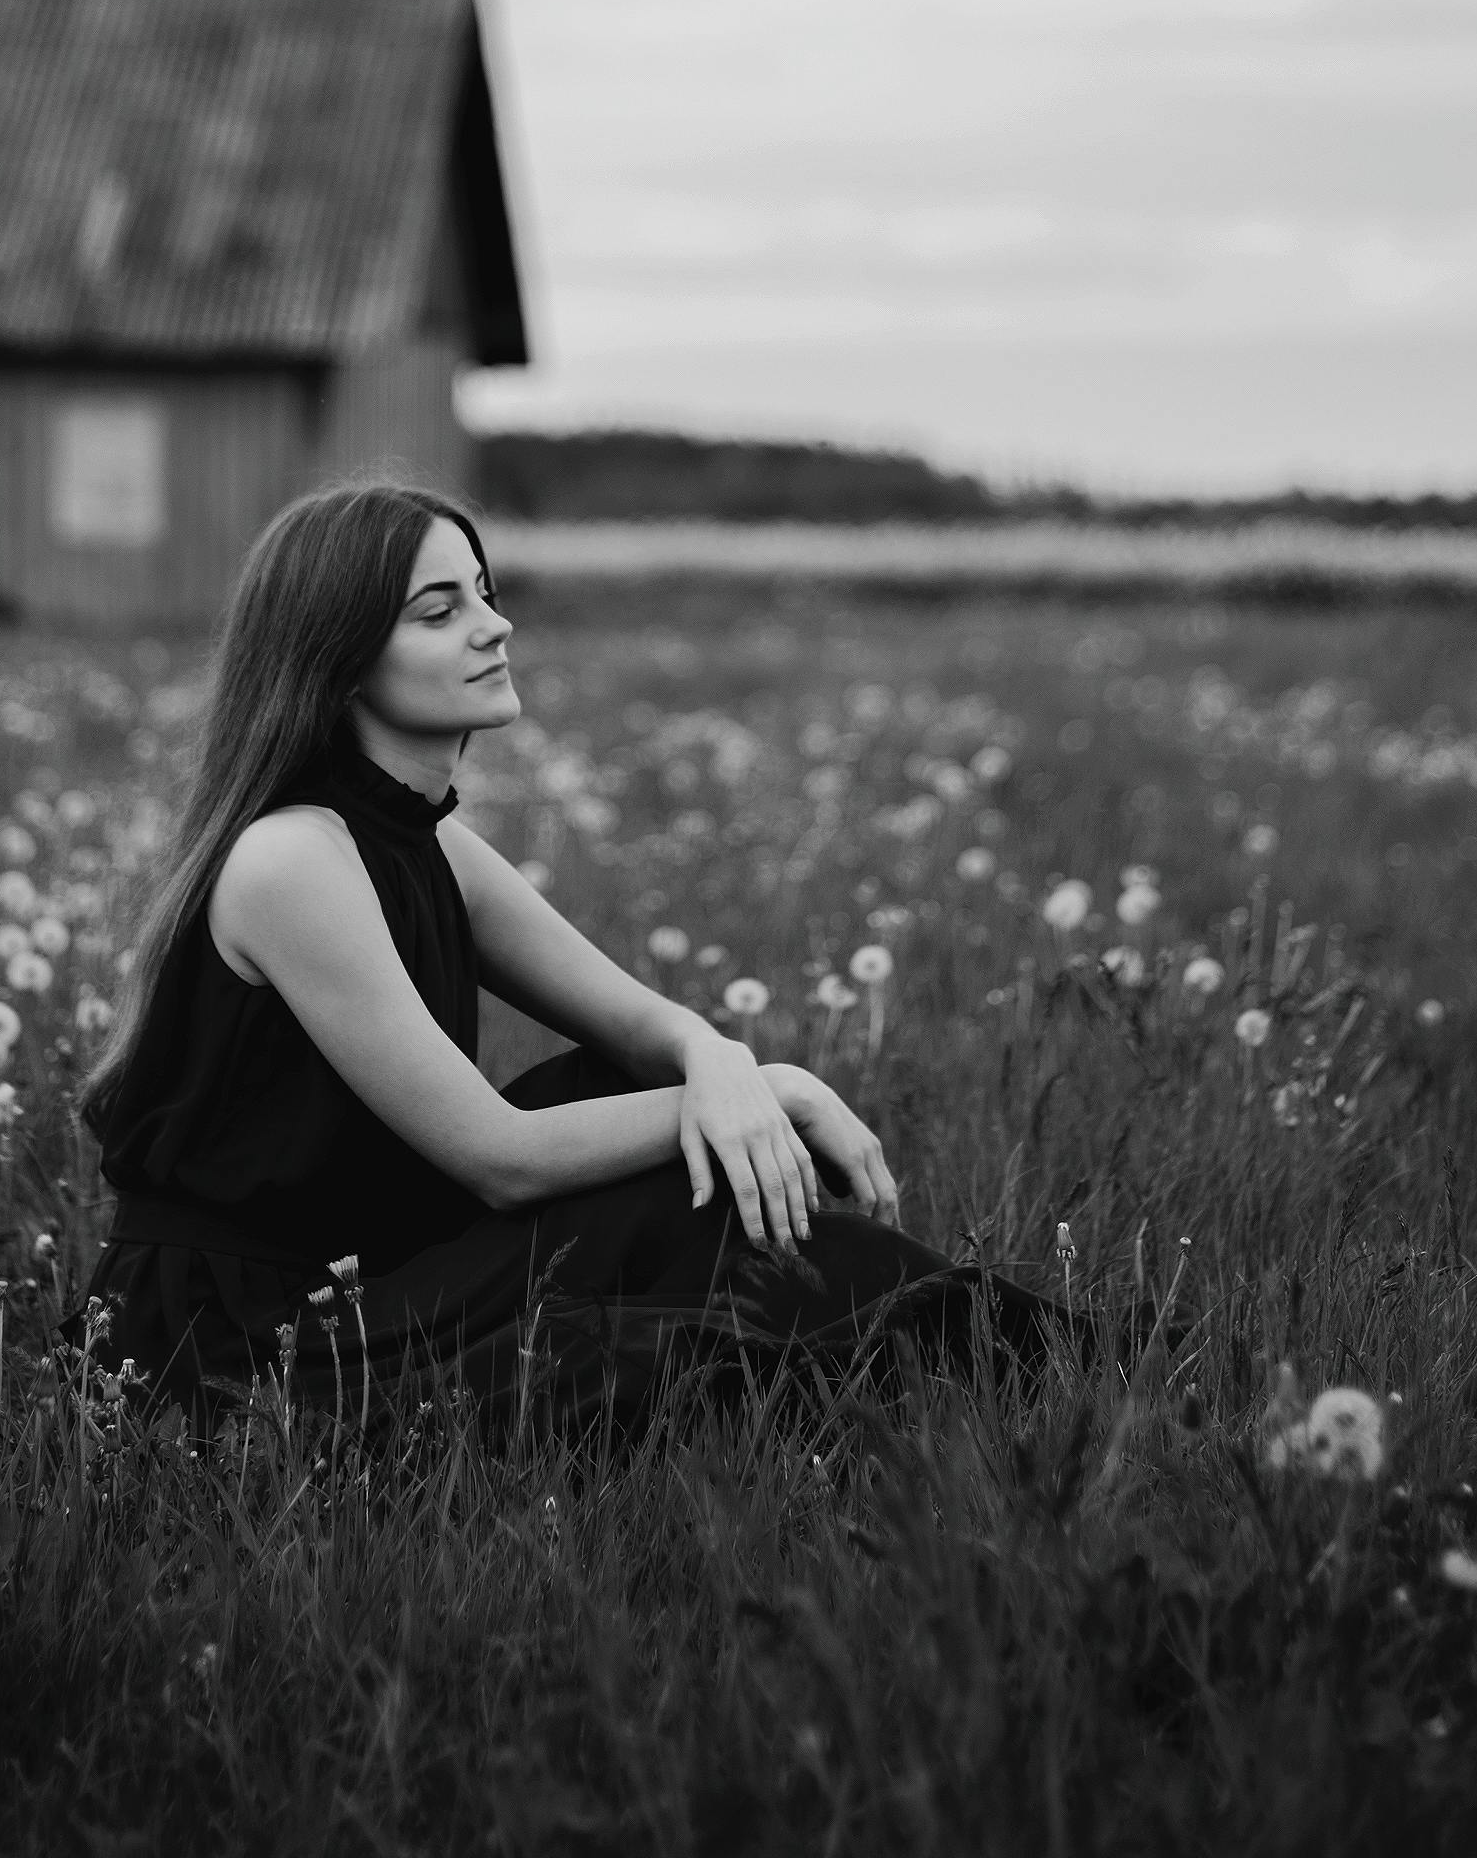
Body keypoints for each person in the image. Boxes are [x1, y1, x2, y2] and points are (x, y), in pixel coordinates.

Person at [76, 480, 1053, 1429]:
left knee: (628, 1111)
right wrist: (782, 1092)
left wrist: (721, 1064)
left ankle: (996, 1350)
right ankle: (990, 1355)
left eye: (487, 595)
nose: (494, 626)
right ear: (339, 658)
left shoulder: (427, 845)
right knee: (670, 1326)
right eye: (439, 610)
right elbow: (500, 1160)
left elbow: (636, 1025)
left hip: (364, 1279)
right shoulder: (291, 859)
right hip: (241, 1347)